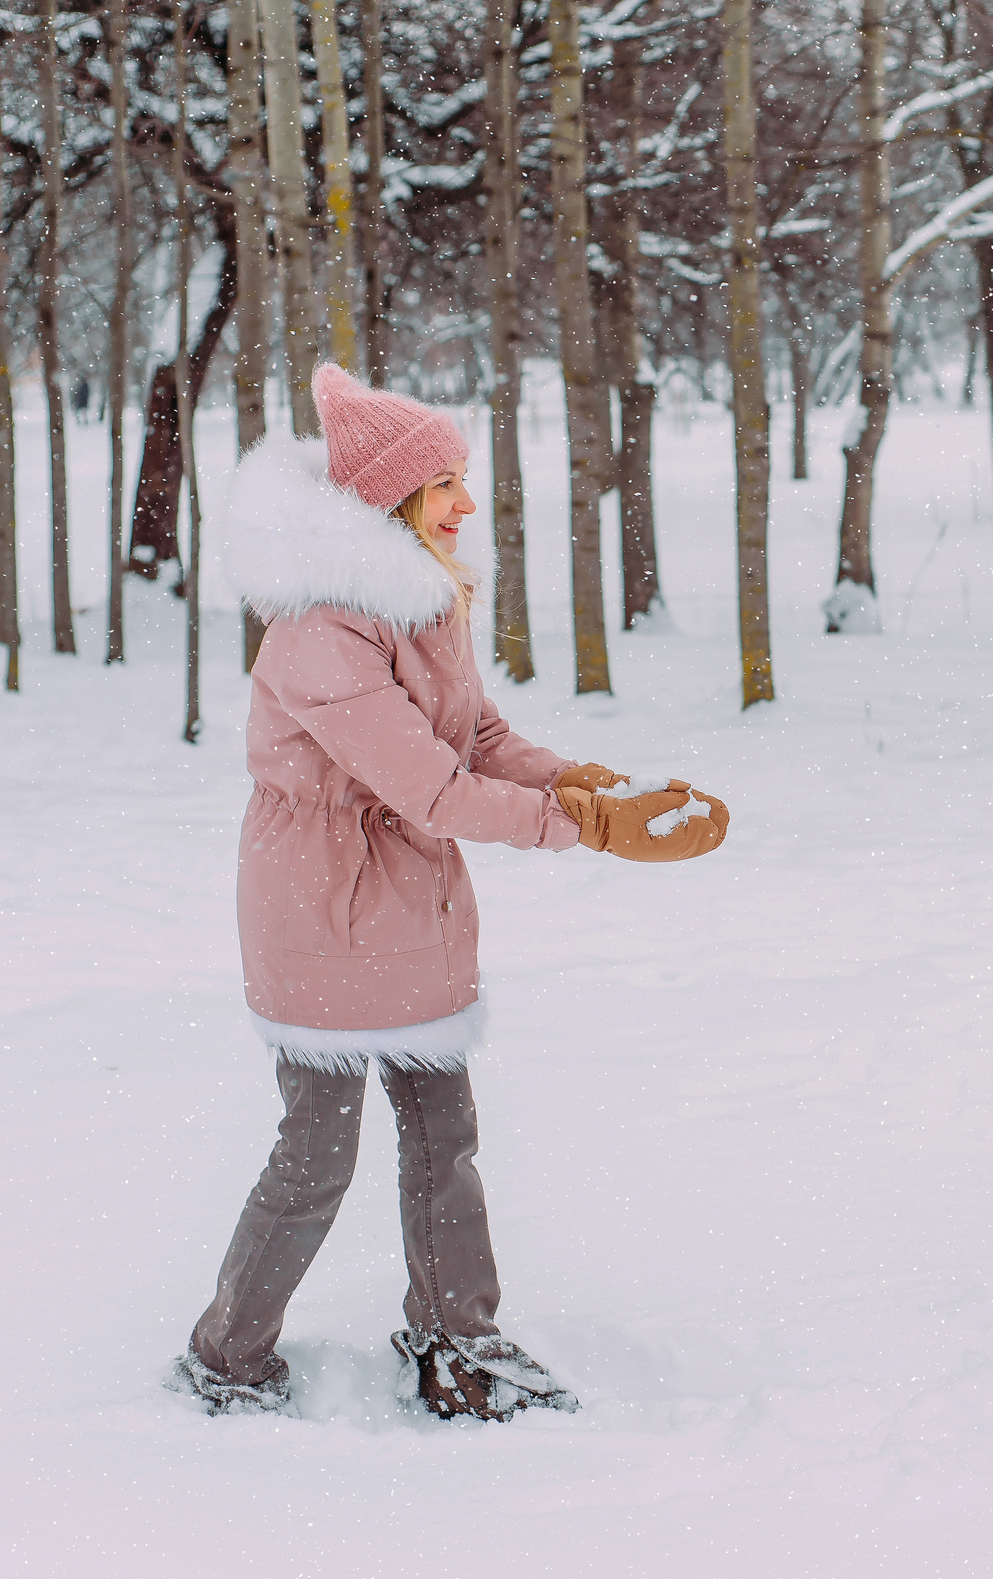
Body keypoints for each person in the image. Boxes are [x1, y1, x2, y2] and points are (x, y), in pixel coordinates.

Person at [170, 364, 729, 1420]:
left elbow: (473, 738)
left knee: (442, 1131)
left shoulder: (420, 598)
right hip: (323, 904)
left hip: (407, 900)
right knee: (317, 1150)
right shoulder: (321, 632)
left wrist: (590, 784)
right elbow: (428, 786)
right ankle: (227, 1352)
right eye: (444, 485)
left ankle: (457, 1342)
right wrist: (589, 831)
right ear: (389, 499)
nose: (464, 503)